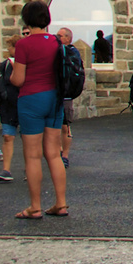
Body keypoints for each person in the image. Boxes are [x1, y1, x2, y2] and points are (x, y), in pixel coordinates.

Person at [9, 0, 69, 219]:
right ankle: (61, 203)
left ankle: (35, 206)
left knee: (32, 156)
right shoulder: (55, 42)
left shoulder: (23, 45)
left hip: (31, 100)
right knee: (54, 154)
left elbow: (18, 79)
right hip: (54, 99)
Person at [0, 42, 20, 183]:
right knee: (7, 137)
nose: (9, 49)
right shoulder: (4, 65)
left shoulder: (26, 64)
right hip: (8, 106)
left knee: (29, 140)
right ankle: (6, 170)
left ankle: (30, 169)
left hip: (24, 104)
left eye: (12, 46)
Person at [57, 27, 77, 167]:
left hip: (66, 94)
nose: (58, 38)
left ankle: (65, 155)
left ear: (68, 38)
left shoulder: (72, 52)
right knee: (54, 126)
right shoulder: (54, 50)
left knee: (65, 126)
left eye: (61, 36)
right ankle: (58, 151)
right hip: (54, 92)